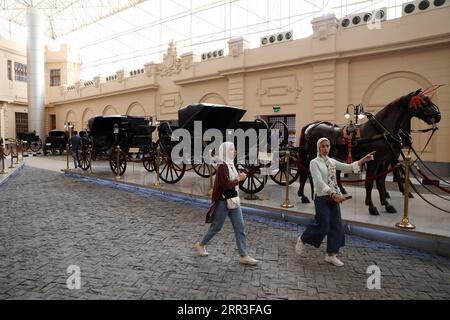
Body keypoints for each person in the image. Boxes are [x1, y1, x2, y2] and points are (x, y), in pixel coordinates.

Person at [295, 137, 375, 266]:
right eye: (323, 146)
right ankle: (303, 239)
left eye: (327, 146)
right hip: (322, 197)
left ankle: (331, 255)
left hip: (335, 197)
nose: (326, 149)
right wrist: (332, 193)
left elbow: (348, 167)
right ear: (318, 148)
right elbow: (318, 182)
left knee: (336, 225)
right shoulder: (314, 163)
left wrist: (362, 160)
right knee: (324, 225)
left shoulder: (332, 161)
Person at [195, 141, 259, 266]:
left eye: (234, 149)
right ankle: (201, 244)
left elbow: (231, 183)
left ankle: (243, 255)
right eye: (231, 150)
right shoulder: (222, 166)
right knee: (216, 227)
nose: (234, 152)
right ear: (224, 152)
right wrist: (238, 179)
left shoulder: (231, 164)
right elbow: (226, 185)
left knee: (240, 228)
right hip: (223, 202)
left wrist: (238, 177)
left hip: (234, 201)